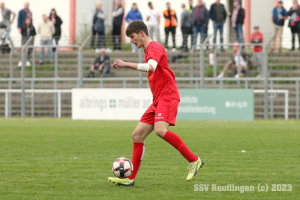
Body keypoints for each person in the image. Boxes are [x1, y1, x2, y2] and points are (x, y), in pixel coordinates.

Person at [108, 20, 203, 186]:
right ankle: (130, 179)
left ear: (142, 33)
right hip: (158, 100)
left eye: (132, 37)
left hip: (168, 96)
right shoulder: (147, 50)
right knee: (137, 135)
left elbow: (151, 67)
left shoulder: (155, 47)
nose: (131, 41)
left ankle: (194, 160)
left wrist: (125, 64)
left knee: (160, 130)